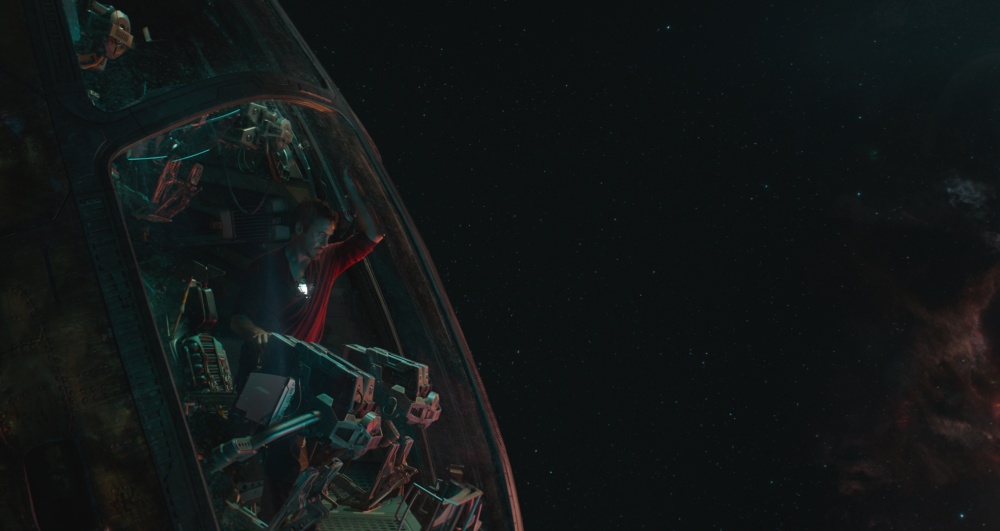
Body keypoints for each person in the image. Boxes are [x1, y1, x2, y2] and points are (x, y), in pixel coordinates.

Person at [229, 195, 383, 522]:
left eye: (329, 236)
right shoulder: (265, 267)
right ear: (299, 228)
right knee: (239, 448)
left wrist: (352, 188)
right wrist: (256, 333)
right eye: (320, 234)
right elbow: (238, 318)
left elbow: (374, 233)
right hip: (264, 375)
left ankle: (273, 521)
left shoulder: (328, 260)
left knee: (285, 459)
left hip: (299, 380)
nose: (325, 243)